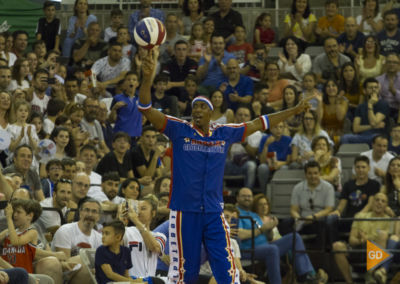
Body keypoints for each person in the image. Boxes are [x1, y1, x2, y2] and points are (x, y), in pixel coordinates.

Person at [137, 48, 311, 283]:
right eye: (194, 107)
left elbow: (260, 123)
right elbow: (146, 109)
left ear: (211, 112)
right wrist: (147, 78)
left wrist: (293, 111)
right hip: (184, 211)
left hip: (213, 211)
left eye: (201, 107)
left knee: (225, 268)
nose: (196, 110)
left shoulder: (224, 132)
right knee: (184, 273)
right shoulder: (179, 128)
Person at [236, 188, 325, 283]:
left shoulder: (254, 215)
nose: (247, 198)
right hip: (248, 249)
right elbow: (239, 234)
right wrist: (261, 229)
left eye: (249, 196)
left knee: (294, 237)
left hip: (264, 245)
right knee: (272, 249)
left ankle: (306, 276)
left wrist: (270, 228)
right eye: (244, 196)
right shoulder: (236, 213)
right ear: (237, 198)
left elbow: (268, 237)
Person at [332, 192, 390, 284]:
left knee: (382, 236)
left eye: (383, 201)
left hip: (375, 252)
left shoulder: (388, 220)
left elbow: (384, 241)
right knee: (337, 246)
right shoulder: (360, 216)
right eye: (377, 200)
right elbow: (351, 240)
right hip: (359, 249)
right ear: (372, 202)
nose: (379, 203)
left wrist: (367, 238)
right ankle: (350, 282)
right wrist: (361, 240)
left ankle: (370, 276)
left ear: (386, 205)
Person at [327, 155, 380, 243]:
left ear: (369, 168)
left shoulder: (374, 184)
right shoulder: (348, 184)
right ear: (354, 169)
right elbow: (342, 204)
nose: (361, 170)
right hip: (348, 219)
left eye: (363, 167)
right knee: (331, 219)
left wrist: (359, 215)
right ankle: (334, 247)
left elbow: (370, 205)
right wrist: (337, 211)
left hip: (364, 218)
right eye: (358, 167)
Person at [119, 195, 167, 282]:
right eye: (137, 209)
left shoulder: (159, 236)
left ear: (153, 213)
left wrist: (135, 220)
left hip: (150, 281)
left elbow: (154, 248)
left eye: (143, 208)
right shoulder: (126, 231)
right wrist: (120, 221)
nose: (138, 212)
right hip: (130, 281)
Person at [290, 161, 335, 239]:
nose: (313, 176)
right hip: (302, 219)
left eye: (315, 173)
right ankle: (291, 250)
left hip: (319, 219)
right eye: (309, 173)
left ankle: (320, 250)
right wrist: (299, 219)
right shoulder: (297, 188)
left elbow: (329, 209)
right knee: (286, 223)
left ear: (319, 173)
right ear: (305, 175)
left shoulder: (328, 188)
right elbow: (293, 210)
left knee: (323, 223)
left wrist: (313, 217)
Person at [341, 77, 389, 145]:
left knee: (375, 138)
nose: (374, 90)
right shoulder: (361, 107)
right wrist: (372, 126)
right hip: (362, 136)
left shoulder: (383, 104)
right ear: (364, 90)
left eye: (376, 87)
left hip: (377, 136)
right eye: (370, 88)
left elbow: (373, 122)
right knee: (344, 138)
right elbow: (355, 128)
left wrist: (370, 104)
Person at [257, 121, 292, 192]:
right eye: (275, 127)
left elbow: (289, 161)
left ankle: (281, 192)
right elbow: (262, 161)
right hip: (268, 165)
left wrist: (280, 164)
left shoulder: (288, 140)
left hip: (281, 164)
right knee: (262, 167)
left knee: (284, 168)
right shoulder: (264, 139)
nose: (278, 129)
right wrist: (266, 145)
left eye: (281, 127)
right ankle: (263, 192)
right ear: (270, 129)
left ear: (283, 129)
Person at [110, 72, 142, 143]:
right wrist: (114, 108)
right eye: (128, 79)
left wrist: (137, 127)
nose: (131, 81)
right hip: (121, 136)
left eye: (134, 80)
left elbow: (145, 117)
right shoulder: (117, 98)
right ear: (124, 83)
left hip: (136, 136)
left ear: (137, 84)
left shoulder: (142, 99)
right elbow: (112, 120)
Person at [376, 53, 400, 120]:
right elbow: (377, 98)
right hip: (382, 110)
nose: (391, 64)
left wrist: (394, 92)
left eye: (395, 62)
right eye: (389, 62)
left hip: (397, 109)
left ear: (399, 65)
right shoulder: (378, 79)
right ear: (385, 64)